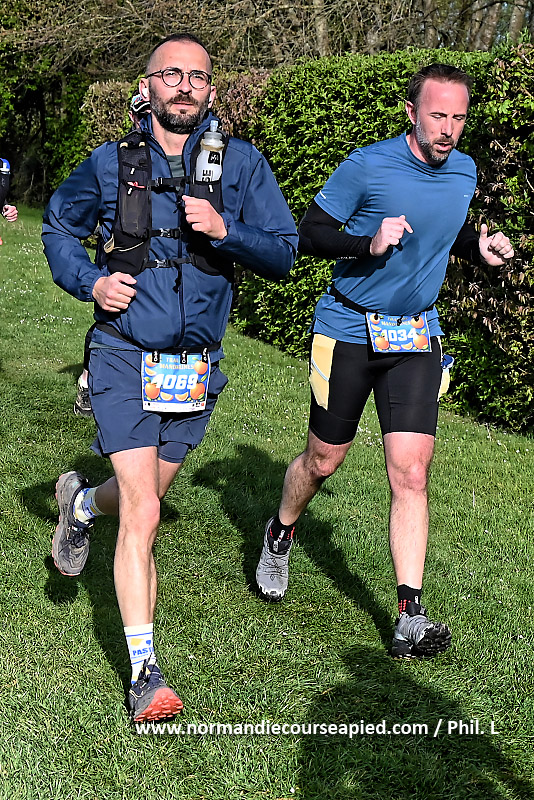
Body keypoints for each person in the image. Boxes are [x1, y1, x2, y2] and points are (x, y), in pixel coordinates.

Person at [43, 32, 297, 721]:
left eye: (197, 76)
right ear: (147, 86)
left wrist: (225, 230)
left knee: (142, 498)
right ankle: (145, 675)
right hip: (123, 353)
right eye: (171, 74)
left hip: (194, 370)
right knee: (146, 511)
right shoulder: (109, 163)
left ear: (212, 89)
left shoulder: (243, 164)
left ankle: (81, 505)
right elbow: (58, 227)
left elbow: (284, 253)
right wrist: (92, 282)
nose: (184, 86)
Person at [255, 63, 514, 660]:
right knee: (323, 461)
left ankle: (409, 616)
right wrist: (366, 244)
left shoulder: (465, 171)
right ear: (411, 112)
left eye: (458, 118)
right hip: (349, 328)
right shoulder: (368, 166)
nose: (448, 129)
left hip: (416, 335)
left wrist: (479, 247)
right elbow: (309, 233)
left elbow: (446, 232)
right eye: (438, 115)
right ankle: (281, 531)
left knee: (412, 473)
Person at [74, 93, 151, 418]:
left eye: (150, 112)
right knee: (109, 320)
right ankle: (87, 382)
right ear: (133, 117)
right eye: (141, 114)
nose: (146, 119)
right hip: (116, 256)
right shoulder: (117, 156)